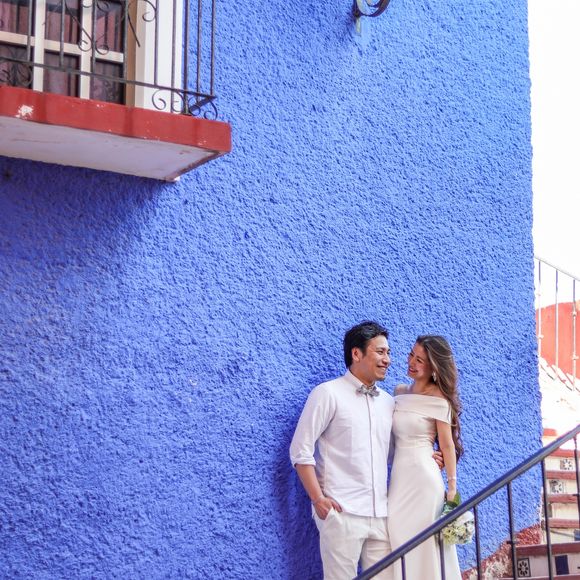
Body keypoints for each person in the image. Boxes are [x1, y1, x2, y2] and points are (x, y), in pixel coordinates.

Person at [289, 322, 443, 580]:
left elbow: (393, 452)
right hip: (342, 513)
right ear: (356, 353)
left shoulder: (388, 402)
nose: (388, 360)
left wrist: (426, 455)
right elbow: (300, 450)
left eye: (389, 353)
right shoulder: (328, 393)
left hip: (380, 515)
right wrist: (318, 499)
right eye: (380, 352)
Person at [387, 335, 463, 580]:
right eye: (411, 355)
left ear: (433, 368)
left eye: (420, 360)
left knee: (427, 544)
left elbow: (447, 445)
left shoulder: (439, 399)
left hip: (424, 480)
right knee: (398, 534)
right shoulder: (398, 392)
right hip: (399, 479)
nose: (411, 362)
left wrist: (452, 489)